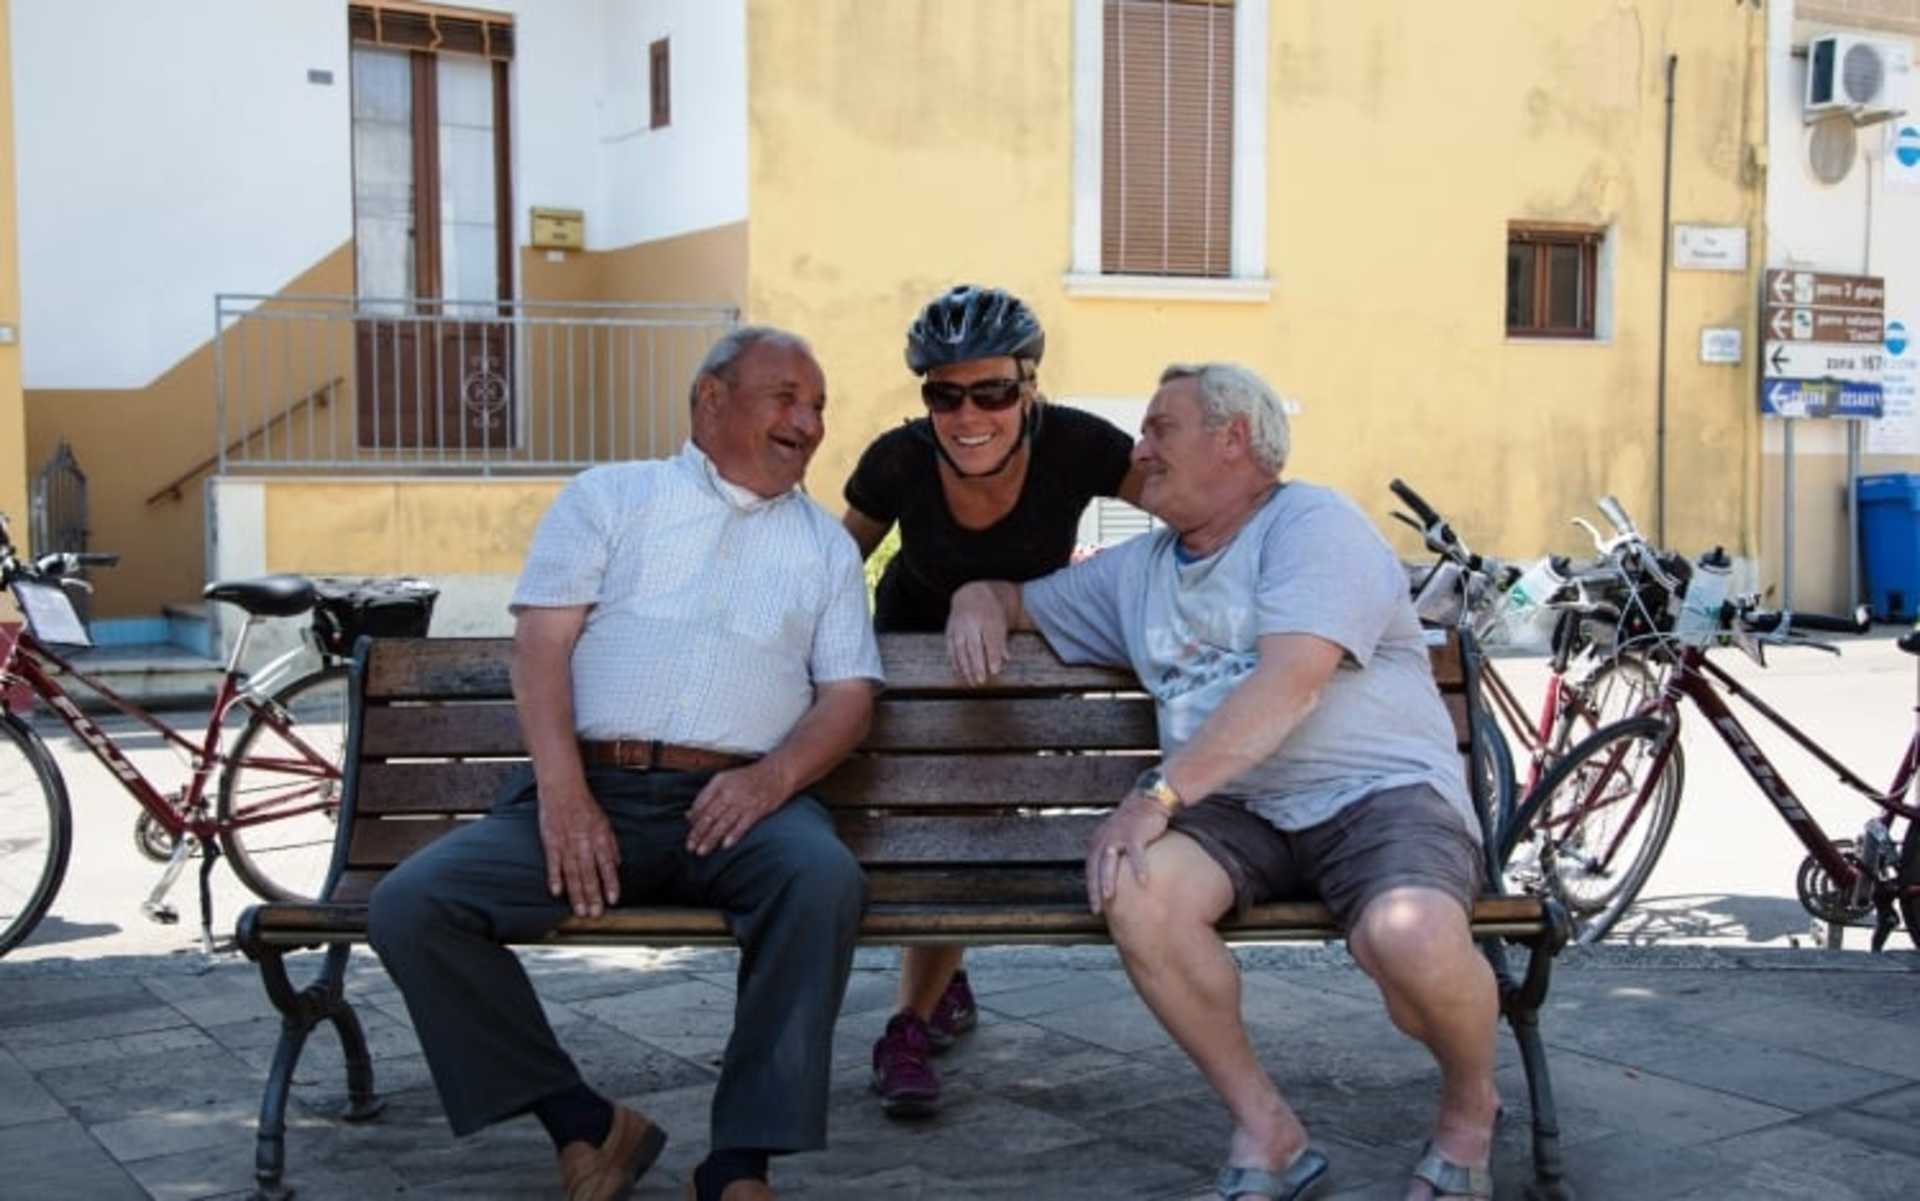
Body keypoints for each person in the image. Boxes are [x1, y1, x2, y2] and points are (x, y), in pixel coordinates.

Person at [945, 363, 1499, 1201]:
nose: (1139, 450)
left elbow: (1290, 685)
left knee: (1410, 937)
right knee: (1136, 886)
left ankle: (1469, 1111)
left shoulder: (1313, 526)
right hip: (1239, 809)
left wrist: (1155, 797)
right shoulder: (1139, 570)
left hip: (1377, 794)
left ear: (1233, 438)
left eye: (1159, 429)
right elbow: (1016, 599)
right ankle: (1269, 1131)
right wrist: (977, 599)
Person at [367, 327, 884, 1201]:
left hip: (744, 804)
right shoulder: (610, 497)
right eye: (787, 398)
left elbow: (848, 695)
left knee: (821, 880)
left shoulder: (825, 546)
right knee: (412, 905)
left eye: (819, 406)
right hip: (591, 787)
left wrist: (771, 779)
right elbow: (540, 648)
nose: (809, 423)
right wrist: (563, 793)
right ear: (711, 398)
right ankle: (585, 1123)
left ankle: (738, 1165)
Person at [841, 284, 1143, 1117]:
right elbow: (830, 568)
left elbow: (1193, 512)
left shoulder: (1081, 444)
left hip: (1010, 660)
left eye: (993, 392)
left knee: (964, 820)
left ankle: (908, 1023)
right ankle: (934, 986)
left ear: (1030, 386)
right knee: (930, 824)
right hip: (913, 652)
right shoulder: (898, 459)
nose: (968, 414)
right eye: (944, 394)